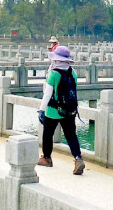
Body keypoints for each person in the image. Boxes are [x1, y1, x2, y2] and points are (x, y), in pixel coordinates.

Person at [36, 45, 85, 175]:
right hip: (69, 110)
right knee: (71, 135)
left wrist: (41, 110)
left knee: (48, 134)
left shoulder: (53, 74)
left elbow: (47, 94)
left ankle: (47, 158)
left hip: (53, 110)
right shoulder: (72, 73)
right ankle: (78, 158)